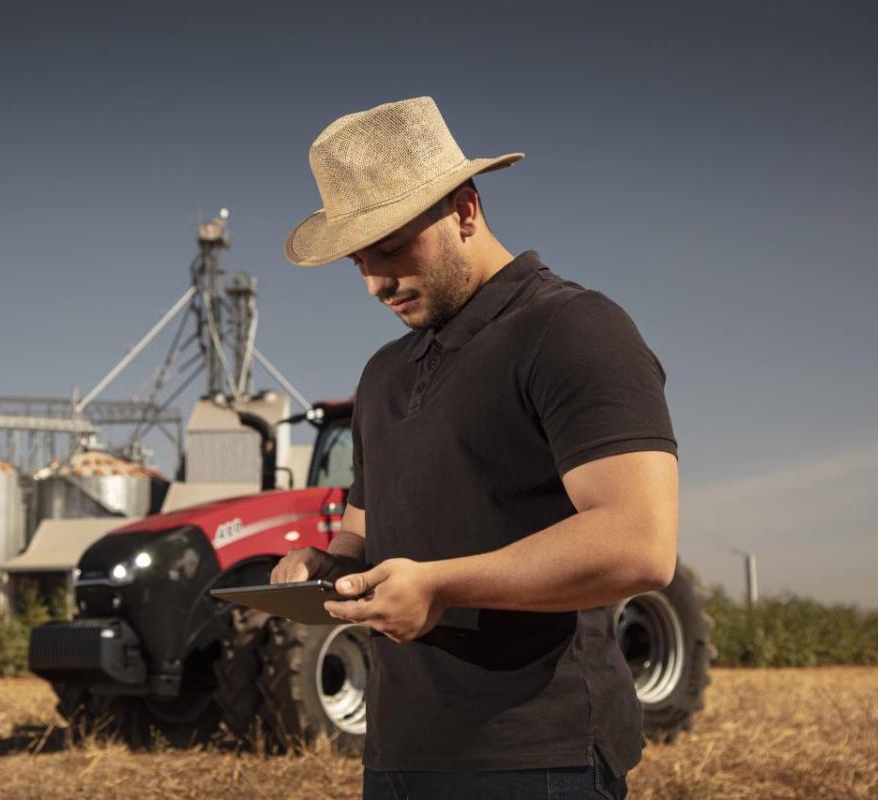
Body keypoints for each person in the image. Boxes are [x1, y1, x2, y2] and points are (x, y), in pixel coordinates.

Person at [273, 96, 679, 800]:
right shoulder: (382, 375)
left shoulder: (573, 330)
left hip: (538, 760)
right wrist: (324, 568)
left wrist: (441, 586)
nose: (375, 283)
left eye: (394, 249)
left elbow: (639, 542)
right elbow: (363, 532)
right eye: (359, 261)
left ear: (465, 211)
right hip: (396, 756)